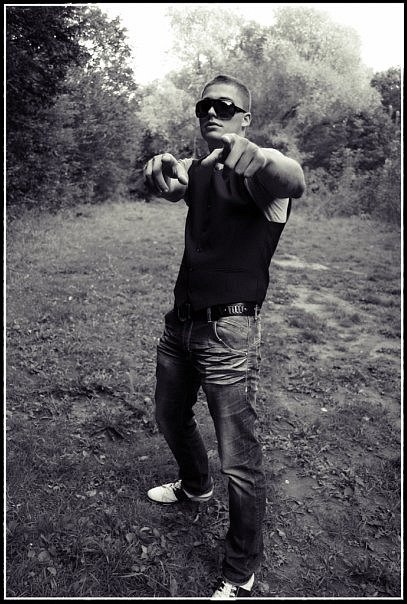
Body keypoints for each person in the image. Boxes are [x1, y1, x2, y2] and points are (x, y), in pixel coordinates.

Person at [143, 74, 305, 599]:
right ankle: (195, 486)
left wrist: (262, 157)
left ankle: (240, 572)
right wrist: (168, 181)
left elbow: (293, 179)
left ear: (245, 118)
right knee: (169, 414)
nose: (211, 111)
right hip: (181, 321)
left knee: (239, 458)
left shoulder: (262, 176)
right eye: (204, 105)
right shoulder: (202, 168)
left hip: (229, 332)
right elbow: (187, 189)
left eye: (225, 105)